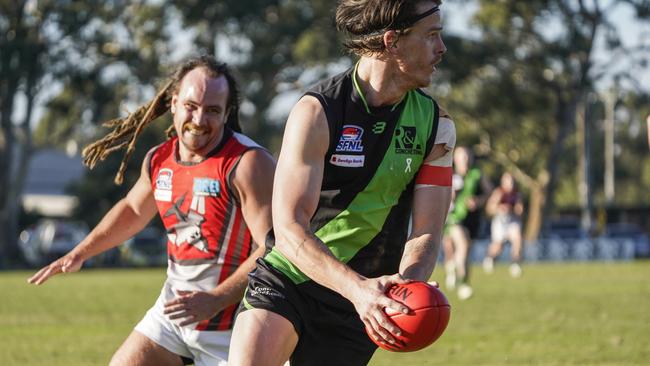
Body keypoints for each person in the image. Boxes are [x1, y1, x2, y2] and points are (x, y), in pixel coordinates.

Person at [228, 1, 455, 365]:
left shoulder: (436, 126)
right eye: (431, 36)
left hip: (363, 302)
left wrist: (405, 286)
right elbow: (288, 228)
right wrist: (357, 289)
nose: (442, 48)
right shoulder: (316, 111)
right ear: (392, 41)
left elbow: (427, 231)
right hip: (292, 277)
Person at [27, 56, 276, 366]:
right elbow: (132, 209)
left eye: (212, 110)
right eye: (191, 105)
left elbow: (272, 248)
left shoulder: (248, 163)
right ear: (173, 103)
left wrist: (216, 299)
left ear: (227, 113)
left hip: (235, 326)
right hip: (173, 318)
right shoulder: (159, 159)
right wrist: (81, 252)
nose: (199, 119)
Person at [442, 146, 492, 300]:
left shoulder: (477, 174)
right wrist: (451, 196)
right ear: (455, 159)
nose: (465, 160)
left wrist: (478, 200)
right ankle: (462, 283)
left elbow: (489, 191)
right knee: (459, 245)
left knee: (465, 251)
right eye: (461, 157)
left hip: (472, 218)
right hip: (453, 217)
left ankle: (457, 273)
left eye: (467, 156)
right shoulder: (449, 173)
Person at [483, 172, 524, 277]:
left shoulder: (517, 193)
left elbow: (520, 210)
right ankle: (490, 258)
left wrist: (515, 209)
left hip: (512, 220)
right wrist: (500, 208)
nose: (510, 184)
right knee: (498, 246)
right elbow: (489, 209)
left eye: (512, 181)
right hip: (500, 222)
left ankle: (515, 264)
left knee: (517, 239)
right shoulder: (499, 192)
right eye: (508, 181)